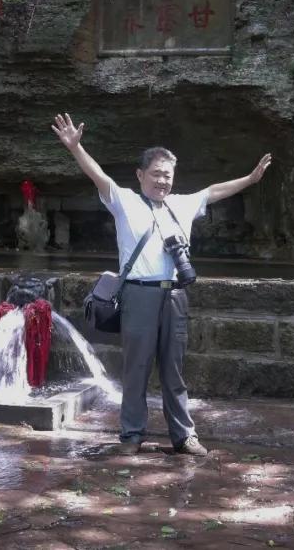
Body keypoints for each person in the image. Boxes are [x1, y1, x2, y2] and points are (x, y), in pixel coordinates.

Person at [51, 112, 271, 456]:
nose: (162, 181)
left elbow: (213, 191)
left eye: (167, 175)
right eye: (156, 174)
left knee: (174, 371)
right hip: (138, 294)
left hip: (176, 296)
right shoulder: (124, 201)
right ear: (141, 175)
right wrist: (76, 149)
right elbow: (98, 176)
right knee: (136, 368)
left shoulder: (182, 204)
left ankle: (184, 437)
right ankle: (131, 436)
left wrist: (251, 179)